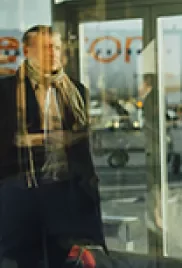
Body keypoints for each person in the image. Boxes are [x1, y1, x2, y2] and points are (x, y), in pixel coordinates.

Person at [0, 25, 106, 266]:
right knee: (25, 258)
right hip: (21, 191)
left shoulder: (75, 91)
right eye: (47, 47)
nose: (54, 53)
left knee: (61, 257)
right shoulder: (6, 91)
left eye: (57, 47)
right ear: (27, 51)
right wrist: (30, 140)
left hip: (64, 191)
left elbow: (82, 145)